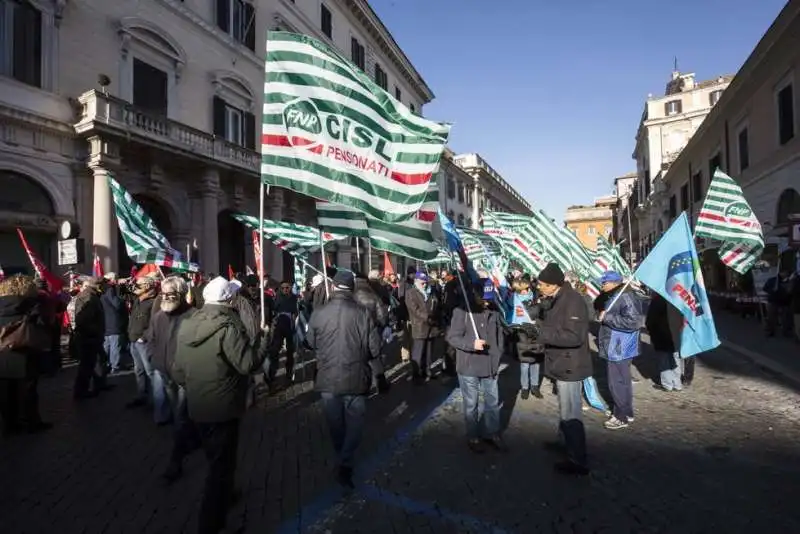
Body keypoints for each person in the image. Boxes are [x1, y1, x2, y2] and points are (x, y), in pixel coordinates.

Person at [172, 276, 270, 534]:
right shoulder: (228, 326)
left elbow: (177, 370)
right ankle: (211, 525)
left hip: (198, 405)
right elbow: (247, 363)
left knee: (216, 460)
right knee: (221, 469)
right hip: (223, 407)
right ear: (228, 299)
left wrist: (194, 387)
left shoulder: (187, 323)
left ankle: (226, 497)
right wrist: (264, 341)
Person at [305, 270, 381, 490]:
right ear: (352, 288)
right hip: (355, 376)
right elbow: (374, 348)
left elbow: (310, 342)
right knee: (354, 423)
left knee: (336, 423)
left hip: (328, 376)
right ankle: (345, 461)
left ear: (335, 286)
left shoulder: (319, 312)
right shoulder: (363, 313)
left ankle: (342, 458)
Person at [529, 263, 592, 475]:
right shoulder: (557, 297)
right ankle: (564, 441)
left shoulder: (573, 300)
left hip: (570, 366)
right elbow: (554, 325)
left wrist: (542, 334)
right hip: (560, 363)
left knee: (571, 412)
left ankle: (577, 459)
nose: (539, 287)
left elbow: (574, 337)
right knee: (564, 409)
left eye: (543, 284)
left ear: (555, 284)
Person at [446, 280, 507, 453]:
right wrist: (472, 344)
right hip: (469, 366)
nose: (487, 302)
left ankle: (492, 433)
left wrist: (498, 354)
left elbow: (499, 336)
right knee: (471, 403)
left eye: (489, 297)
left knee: (493, 402)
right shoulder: (462, 311)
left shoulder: (494, 310)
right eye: (483, 298)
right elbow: (452, 337)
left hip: (490, 364)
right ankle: (472, 436)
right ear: (474, 294)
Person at [0, 275, 52, 435]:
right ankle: (31, 422)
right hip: (25, 351)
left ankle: (10, 424)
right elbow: (44, 324)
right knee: (28, 390)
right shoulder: (31, 305)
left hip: (2, 352)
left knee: (5, 391)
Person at [596, 271, 643, 430]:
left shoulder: (624, 296)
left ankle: (620, 416)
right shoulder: (618, 294)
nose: (602, 286)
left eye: (604, 283)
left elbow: (634, 322)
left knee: (616, 382)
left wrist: (606, 318)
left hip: (618, 346)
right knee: (623, 381)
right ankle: (626, 412)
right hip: (619, 345)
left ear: (614, 283)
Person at [354, 271, 390, 393]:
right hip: (372, 330)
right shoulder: (373, 295)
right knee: (375, 358)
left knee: (358, 359)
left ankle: (362, 388)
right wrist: (380, 325)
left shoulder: (349, 294)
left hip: (354, 331)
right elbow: (382, 316)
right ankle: (381, 385)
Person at [72, 277, 108, 400]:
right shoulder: (89, 297)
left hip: (90, 336)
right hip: (88, 338)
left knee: (93, 363)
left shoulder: (91, 296)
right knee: (86, 366)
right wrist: (95, 333)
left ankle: (96, 385)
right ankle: (81, 391)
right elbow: (84, 320)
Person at [127, 275, 158, 410]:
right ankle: (142, 395)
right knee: (138, 370)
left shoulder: (154, 302)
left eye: (139, 285)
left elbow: (155, 323)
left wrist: (144, 337)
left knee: (150, 371)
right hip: (133, 340)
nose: (136, 288)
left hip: (144, 342)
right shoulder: (137, 300)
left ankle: (155, 399)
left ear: (147, 286)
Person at [405, 272, 441, 383]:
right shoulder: (410, 293)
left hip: (432, 326)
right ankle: (416, 375)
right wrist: (427, 317)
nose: (424, 285)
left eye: (426, 282)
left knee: (429, 352)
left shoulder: (431, 291)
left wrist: (436, 313)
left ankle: (427, 371)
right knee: (418, 353)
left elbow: (437, 304)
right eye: (422, 283)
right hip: (420, 326)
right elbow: (414, 309)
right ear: (416, 281)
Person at [646, 293, 684, 392]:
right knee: (676, 360)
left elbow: (650, 321)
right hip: (675, 335)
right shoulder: (676, 299)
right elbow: (682, 318)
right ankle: (677, 384)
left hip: (661, 335)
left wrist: (651, 331)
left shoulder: (657, 300)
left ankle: (668, 385)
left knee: (664, 360)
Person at [100, 273, 127, 374]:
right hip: (113, 322)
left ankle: (105, 364)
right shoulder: (110, 289)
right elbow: (117, 304)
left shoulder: (102, 289)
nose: (116, 280)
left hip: (106, 322)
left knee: (107, 345)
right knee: (115, 345)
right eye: (115, 278)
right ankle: (115, 365)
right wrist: (122, 300)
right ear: (111, 279)